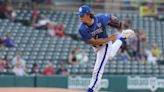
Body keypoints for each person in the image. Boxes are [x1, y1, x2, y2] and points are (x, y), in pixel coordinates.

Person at [77, 5, 135, 92]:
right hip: (98, 45)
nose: (80, 17)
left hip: (105, 45)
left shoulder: (100, 18)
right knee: (110, 55)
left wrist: (119, 24)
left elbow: (110, 17)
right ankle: (123, 37)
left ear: (88, 15)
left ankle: (91, 90)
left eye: (82, 15)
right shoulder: (82, 28)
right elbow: (94, 42)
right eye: (79, 15)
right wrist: (110, 38)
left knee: (97, 70)